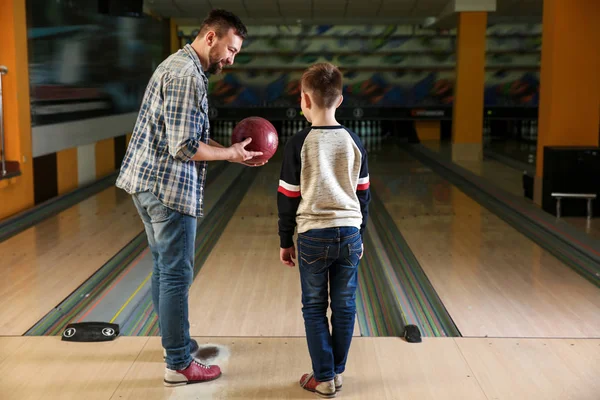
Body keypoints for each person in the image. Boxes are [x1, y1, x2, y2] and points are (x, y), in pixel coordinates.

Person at [116, 9, 264, 387]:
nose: (232, 59)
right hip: (167, 190)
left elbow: (189, 136)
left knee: (165, 269)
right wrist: (230, 155)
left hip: (147, 184)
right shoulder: (187, 76)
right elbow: (184, 147)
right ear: (211, 37)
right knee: (176, 274)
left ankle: (175, 344)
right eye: (230, 49)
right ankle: (179, 363)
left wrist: (231, 149)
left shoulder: (180, 66)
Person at [277, 62, 371, 398]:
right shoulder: (354, 140)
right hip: (349, 233)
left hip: (313, 236)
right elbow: (364, 194)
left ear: (303, 100)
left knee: (314, 307)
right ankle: (337, 372)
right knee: (345, 306)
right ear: (341, 100)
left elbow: (287, 197)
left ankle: (324, 376)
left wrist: (285, 240)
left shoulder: (297, 143)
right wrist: (360, 233)